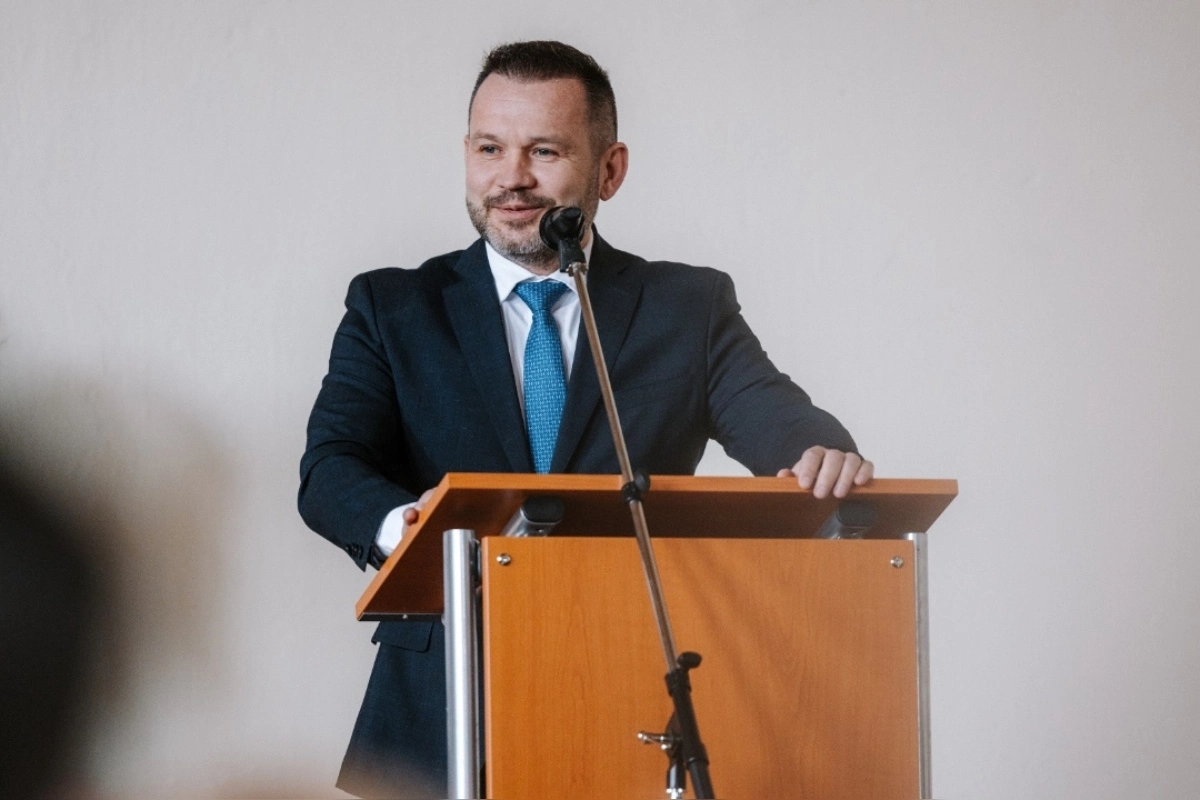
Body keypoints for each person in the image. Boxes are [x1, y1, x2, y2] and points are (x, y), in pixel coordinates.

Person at [299, 40, 873, 798]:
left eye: (544, 151)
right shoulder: (392, 306)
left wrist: (822, 451)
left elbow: (789, 429)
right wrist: (409, 528)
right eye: (490, 148)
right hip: (438, 710)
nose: (511, 177)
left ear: (609, 170)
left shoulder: (686, 308)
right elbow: (331, 467)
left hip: (628, 683)